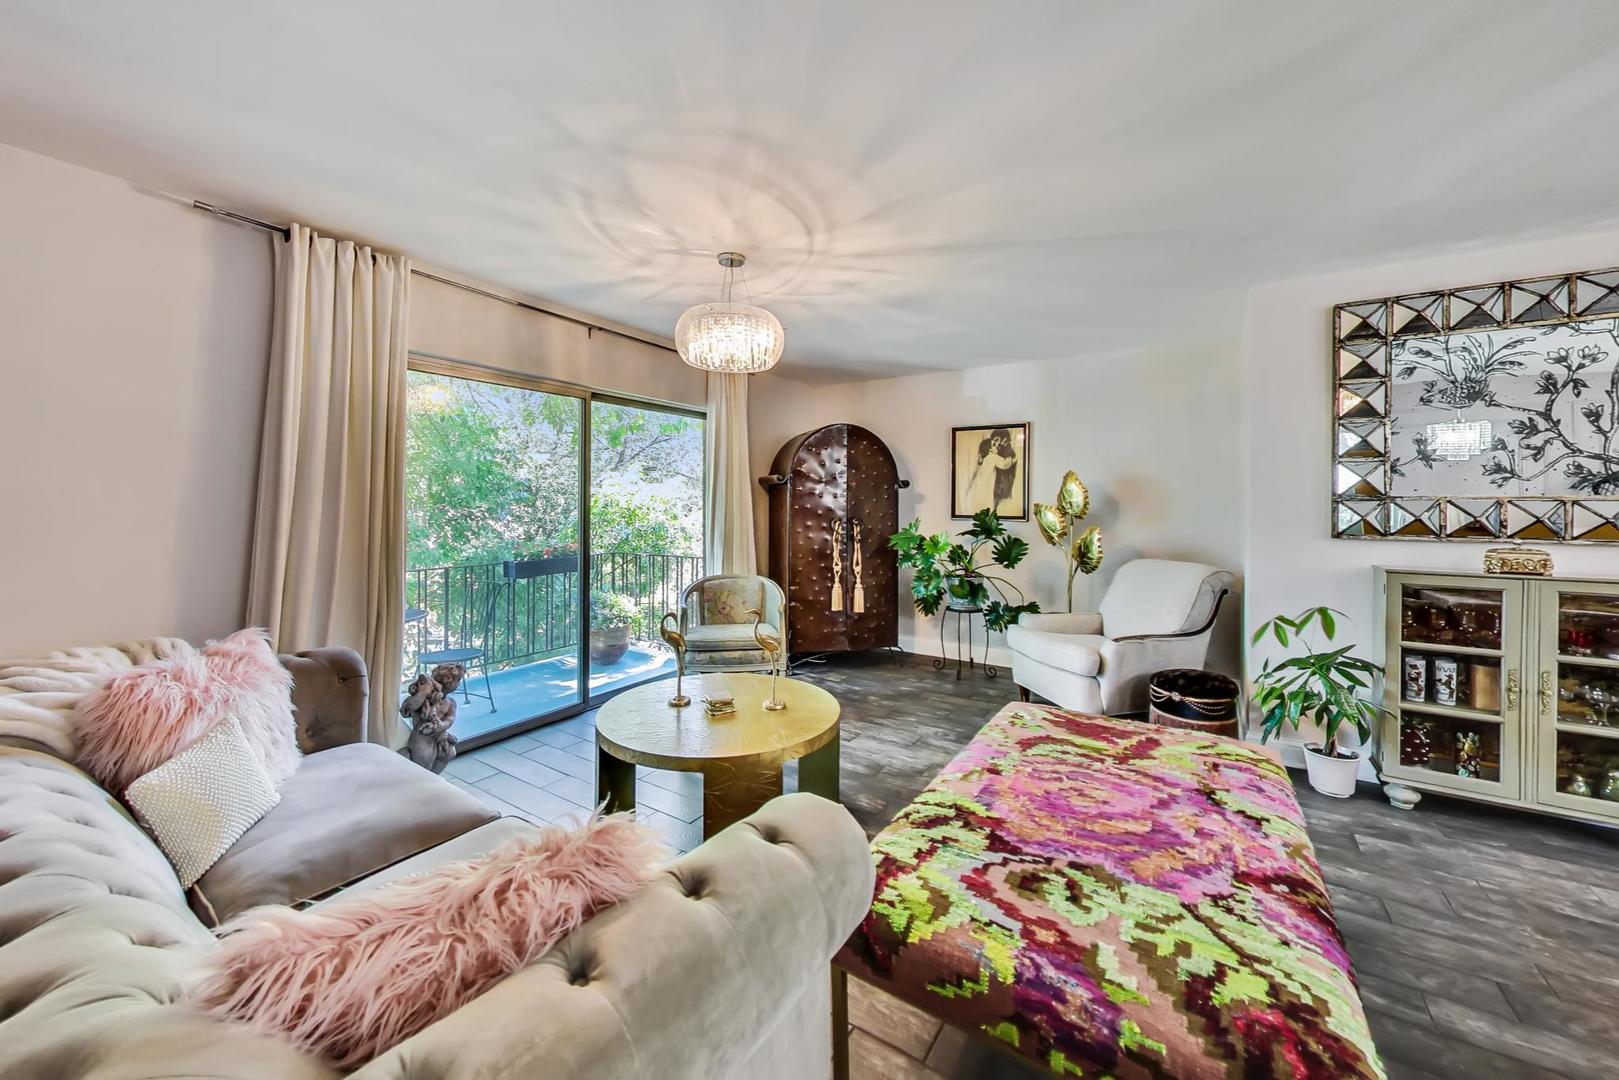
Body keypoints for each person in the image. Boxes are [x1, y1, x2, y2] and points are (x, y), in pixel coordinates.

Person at [962, 427, 1019, 515]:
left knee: (981, 497)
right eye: (995, 442)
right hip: (986, 482)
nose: (997, 445)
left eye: (999, 444)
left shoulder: (987, 456)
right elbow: (1004, 465)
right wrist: (1013, 459)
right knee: (987, 498)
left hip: (981, 481)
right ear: (990, 448)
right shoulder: (993, 457)